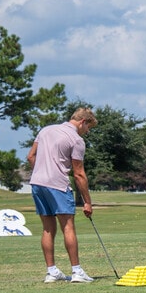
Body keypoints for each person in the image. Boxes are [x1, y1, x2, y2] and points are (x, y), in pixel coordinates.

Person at [27, 107, 98, 283]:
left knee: (48, 228)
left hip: (37, 183)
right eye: (88, 127)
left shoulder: (45, 130)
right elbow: (79, 174)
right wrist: (87, 202)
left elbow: (30, 157)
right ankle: (77, 272)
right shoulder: (76, 140)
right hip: (58, 185)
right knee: (68, 226)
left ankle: (51, 272)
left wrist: (42, 172)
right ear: (83, 122)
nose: (87, 132)